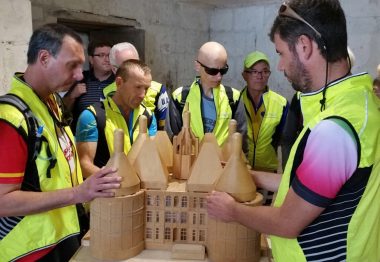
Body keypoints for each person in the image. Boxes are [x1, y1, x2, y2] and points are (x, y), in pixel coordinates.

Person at [207, 1, 380, 261]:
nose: (280, 67)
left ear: (304, 46)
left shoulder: (333, 129)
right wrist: (252, 176)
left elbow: (287, 222)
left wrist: (232, 211)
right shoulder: (360, 103)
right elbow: (312, 187)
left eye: (280, 54)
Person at [0, 23, 121, 262]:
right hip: (29, 250)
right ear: (44, 58)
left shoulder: (51, 103)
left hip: (62, 237)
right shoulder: (11, 117)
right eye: (72, 66)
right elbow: (3, 201)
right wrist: (79, 193)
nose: (79, 75)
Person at [76, 59, 157, 178]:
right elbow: (84, 166)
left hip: (140, 190)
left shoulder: (148, 116)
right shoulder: (91, 116)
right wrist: (116, 181)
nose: (142, 95)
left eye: (146, 88)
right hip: (106, 193)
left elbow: (150, 158)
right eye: (138, 87)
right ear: (119, 83)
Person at [166, 41, 246, 146]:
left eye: (223, 70)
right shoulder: (180, 97)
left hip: (223, 162)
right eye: (212, 71)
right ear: (198, 66)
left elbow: (241, 142)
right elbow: (173, 140)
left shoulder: (233, 97)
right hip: (190, 161)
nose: (219, 77)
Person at [103, 42, 169, 130]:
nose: (142, 94)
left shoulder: (158, 90)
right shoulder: (105, 92)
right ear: (114, 69)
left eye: (137, 63)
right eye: (127, 66)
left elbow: (164, 129)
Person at [240, 51, 288, 171]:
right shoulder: (234, 101)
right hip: (241, 170)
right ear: (244, 75)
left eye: (265, 71)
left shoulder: (281, 104)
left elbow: (286, 143)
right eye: (254, 71)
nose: (259, 76)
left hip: (268, 171)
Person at [63, 40, 115, 132]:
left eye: (109, 55)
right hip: (82, 138)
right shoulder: (80, 78)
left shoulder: (119, 81)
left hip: (111, 139)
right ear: (91, 59)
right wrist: (72, 96)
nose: (107, 59)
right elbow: (62, 111)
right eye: (101, 55)